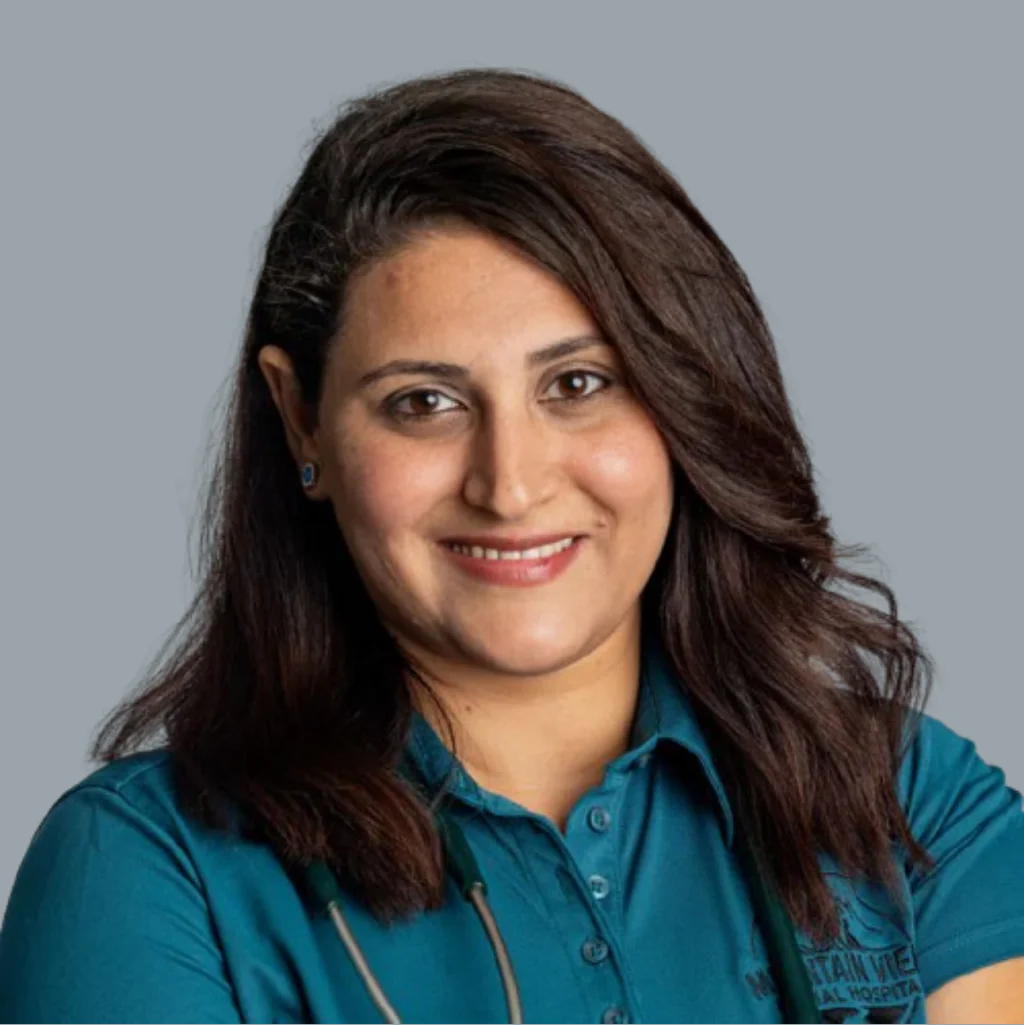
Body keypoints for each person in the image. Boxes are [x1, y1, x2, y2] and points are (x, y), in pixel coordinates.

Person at [1, 67, 1022, 1025]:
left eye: (577, 384)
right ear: (301, 419)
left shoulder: (910, 801)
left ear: (684, 398)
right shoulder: (145, 871)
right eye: (425, 401)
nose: (511, 482)